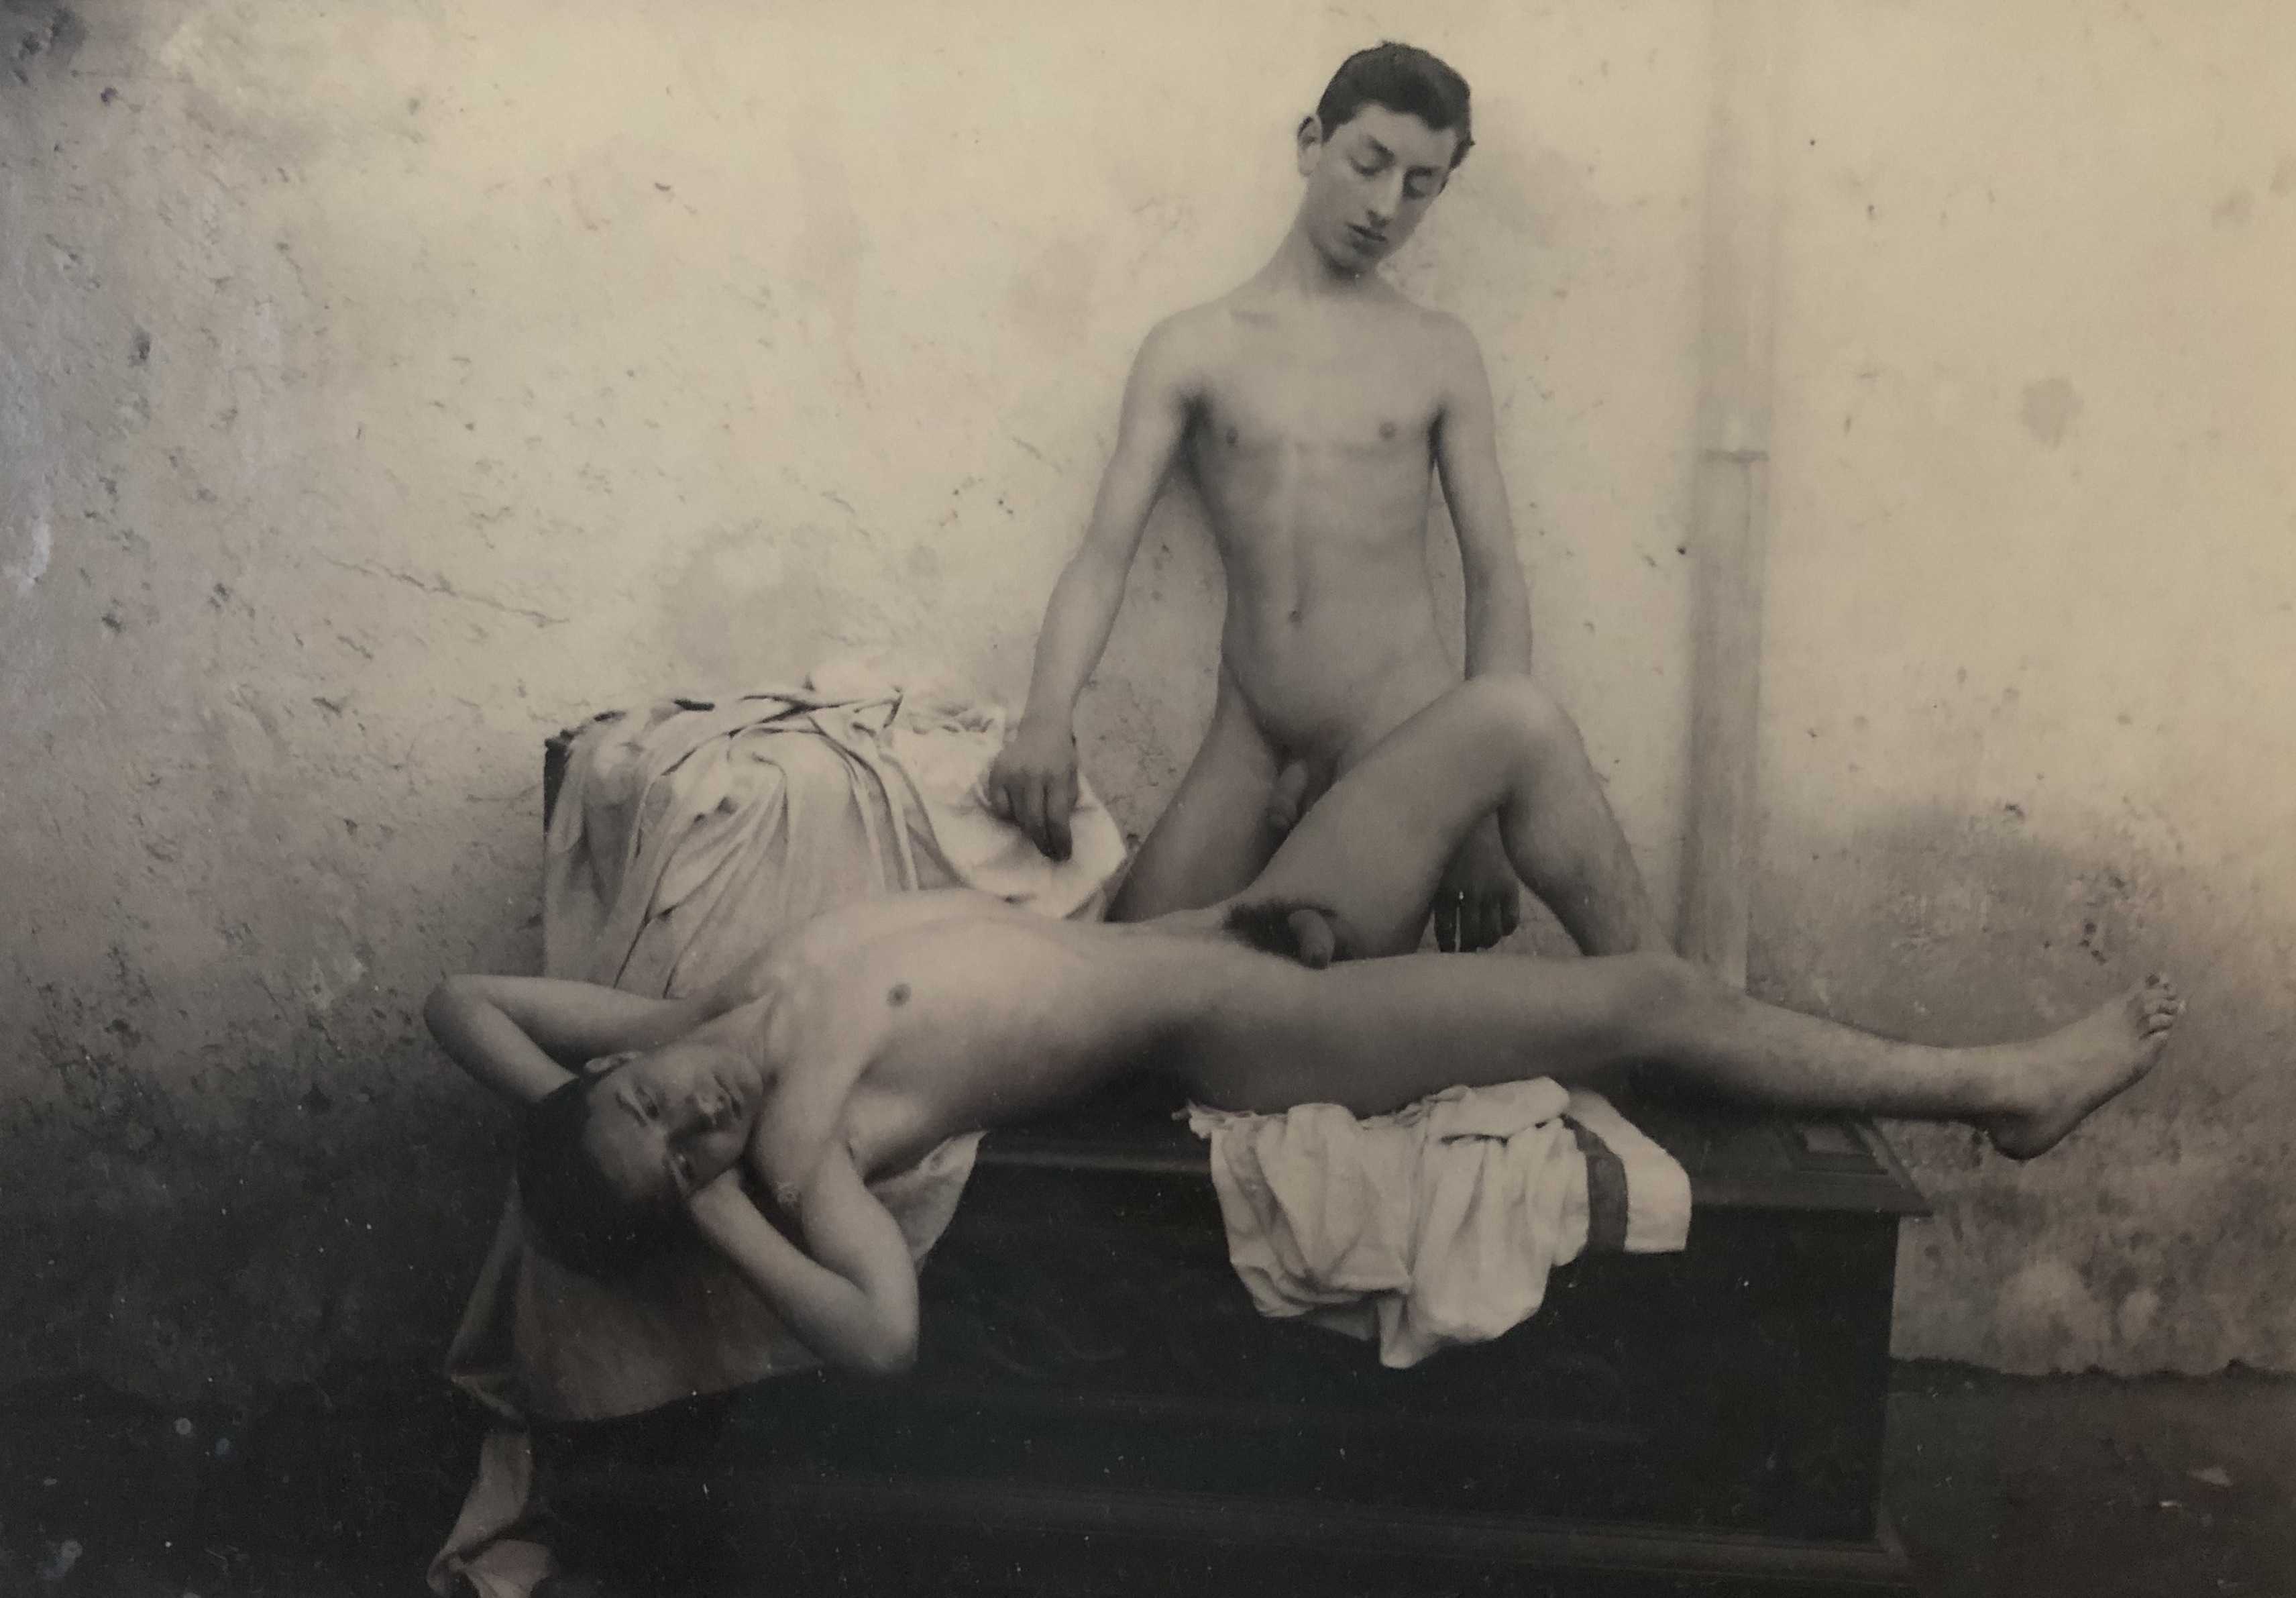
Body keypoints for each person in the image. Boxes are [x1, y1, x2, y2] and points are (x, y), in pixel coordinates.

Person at [429, 676, 2182, 1377]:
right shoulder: (804, 1141)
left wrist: (595, 1127)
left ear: (619, 1063)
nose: (692, 1111)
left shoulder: (704, 1013)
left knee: (1506, 716)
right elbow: (878, 1336)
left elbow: (463, 1004)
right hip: (1256, 1027)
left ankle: (1668, 1048)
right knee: (1649, 999)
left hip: (1196, 929)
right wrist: (717, 1201)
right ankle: (1992, 1089)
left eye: (649, 1102)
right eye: (688, 1151)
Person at [985, 41, 1579, 956]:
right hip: (1252, 733)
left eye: (1419, 185)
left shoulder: (1438, 353)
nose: (1385, 206)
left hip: (1397, 735)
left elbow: (1495, 578)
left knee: (1311, 995)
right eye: (1369, 163)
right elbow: (1102, 558)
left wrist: (1478, 806)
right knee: (1128, 977)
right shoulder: (1193, 347)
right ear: (1312, 144)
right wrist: (1046, 717)